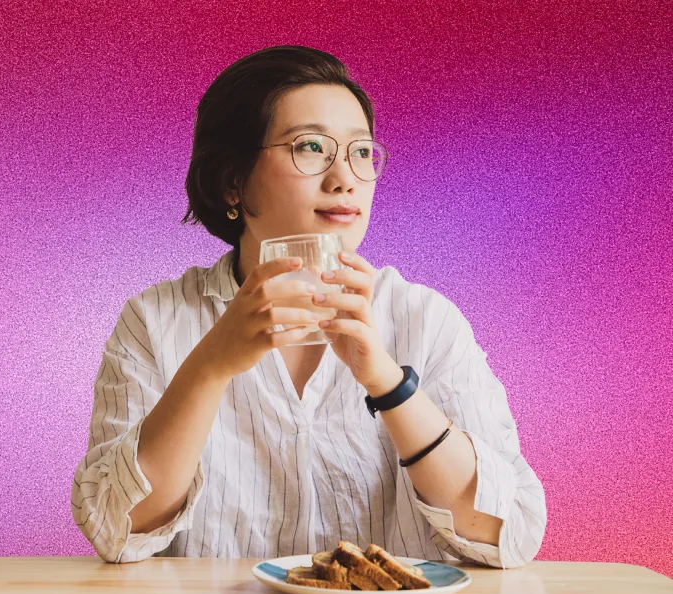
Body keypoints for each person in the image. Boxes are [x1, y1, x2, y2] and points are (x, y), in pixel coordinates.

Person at [71, 45, 546, 567]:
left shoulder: (426, 321)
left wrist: (388, 382)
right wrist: (209, 366)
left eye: (361, 152)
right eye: (311, 147)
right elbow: (117, 530)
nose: (345, 178)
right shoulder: (155, 321)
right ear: (233, 179)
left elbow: (511, 535)